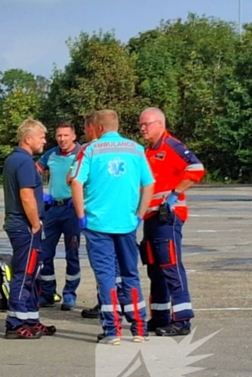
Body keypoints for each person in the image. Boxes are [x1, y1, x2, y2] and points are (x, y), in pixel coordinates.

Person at [70, 110, 154, 345]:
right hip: (126, 224)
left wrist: (80, 215)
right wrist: (139, 215)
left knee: (106, 276)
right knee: (130, 274)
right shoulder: (136, 149)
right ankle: (139, 328)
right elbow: (149, 185)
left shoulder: (91, 149)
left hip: (97, 224)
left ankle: (112, 331)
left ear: (97, 128)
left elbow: (76, 182)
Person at [139, 107, 205, 337]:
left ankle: (182, 320)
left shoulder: (172, 146)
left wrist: (175, 193)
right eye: (141, 124)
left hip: (167, 216)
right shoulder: (148, 152)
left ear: (160, 124)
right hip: (151, 217)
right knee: (155, 269)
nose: (142, 128)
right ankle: (160, 317)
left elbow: (196, 168)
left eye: (146, 124)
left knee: (171, 266)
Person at [2, 118, 56, 339]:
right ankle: (15, 323)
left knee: (32, 272)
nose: (45, 140)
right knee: (25, 273)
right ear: (28, 138)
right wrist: (35, 223)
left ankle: (31, 318)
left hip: (22, 224)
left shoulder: (16, 159)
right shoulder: (23, 162)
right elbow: (26, 196)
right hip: (24, 225)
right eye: (41, 136)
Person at [35, 122, 82, 311]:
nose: (62, 139)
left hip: (72, 209)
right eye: (59, 136)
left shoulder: (82, 153)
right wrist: (40, 194)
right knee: (45, 253)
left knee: (72, 253)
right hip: (53, 209)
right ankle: (47, 293)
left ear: (74, 136)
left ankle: (70, 294)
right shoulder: (51, 154)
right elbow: (34, 170)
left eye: (65, 135)